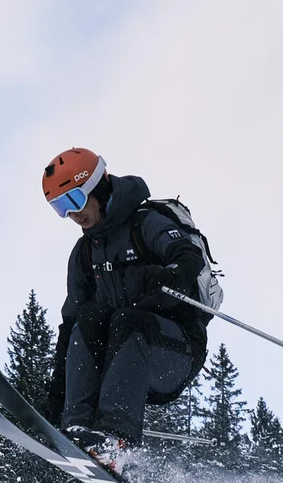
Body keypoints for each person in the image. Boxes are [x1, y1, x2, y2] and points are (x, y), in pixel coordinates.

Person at [39, 148, 210, 452]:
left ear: (98, 189)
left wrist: (168, 276)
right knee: (89, 317)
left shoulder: (144, 224)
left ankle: (117, 440)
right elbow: (70, 328)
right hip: (121, 364)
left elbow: (188, 257)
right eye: (60, 208)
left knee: (128, 319)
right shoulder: (84, 254)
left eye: (75, 201)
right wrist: (56, 397)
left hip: (175, 353)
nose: (72, 214)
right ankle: (77, 425)